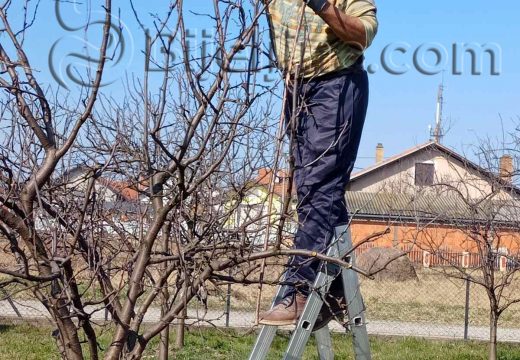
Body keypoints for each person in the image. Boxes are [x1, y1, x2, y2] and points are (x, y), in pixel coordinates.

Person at [259, 0, 378, 328]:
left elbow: (365, 33)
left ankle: (300, 290)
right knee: (311, 189)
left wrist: (322, 5)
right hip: (296, 87)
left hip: (336, 84)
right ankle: (337, 292)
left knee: (320, 187)